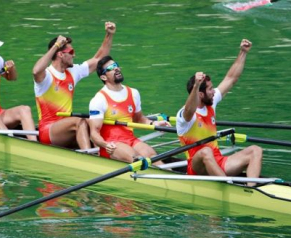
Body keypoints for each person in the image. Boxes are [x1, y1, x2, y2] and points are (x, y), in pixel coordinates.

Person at [176, 39, 262, 186]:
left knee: (255, 150)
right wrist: (197, 85)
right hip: (197, 168)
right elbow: (190, 110)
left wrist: (243, 52)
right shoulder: (185, 115)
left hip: (218, 161)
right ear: (200, 95)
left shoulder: (211, 102)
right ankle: (229, 186)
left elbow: (231, 78)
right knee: (205, 151)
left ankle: (251, 190)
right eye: (210, 89)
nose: (213, 91)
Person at [32, 22, 116, 150]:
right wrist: (55, 46)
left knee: (94, 121)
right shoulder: (46, 76)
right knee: (80, 121)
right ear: (60, 54)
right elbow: (36, 71)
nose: (74, 55)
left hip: (67, 128)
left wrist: (109, 35)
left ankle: (107, 151)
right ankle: (89, 158)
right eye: (71, 51)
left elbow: (99, 59)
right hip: (48, 130)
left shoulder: (73, 72)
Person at [88, 55, 171, 164]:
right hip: (112, 145)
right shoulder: (99, 99)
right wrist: (105, 145)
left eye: (116, 65)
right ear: (104, 77)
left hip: (130, 139)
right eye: (111, 68)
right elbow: (94, 134)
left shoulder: (134, 93)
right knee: (137, 159)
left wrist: (155, 123)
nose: (116, 68)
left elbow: (139, 119)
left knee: (152, 156)